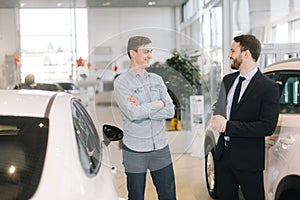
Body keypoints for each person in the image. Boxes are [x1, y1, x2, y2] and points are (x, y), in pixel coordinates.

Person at [211, 34, 280, 200]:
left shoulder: (268, 87)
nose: (229, 55)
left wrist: (228, 126)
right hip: (223, 157)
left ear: (246, 53)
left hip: (248, 160)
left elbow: (266, 126)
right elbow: (220, 111)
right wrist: (217, 117)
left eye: (233, 50)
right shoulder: (227, 81)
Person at [113, 36, 176, 200]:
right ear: (132, 53)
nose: (150, 55)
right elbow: (133, 114)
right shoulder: (122, 83)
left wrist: (142, 106)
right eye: (145, 51)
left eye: (150, 51)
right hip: (135, 150)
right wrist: (158, 103)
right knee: (136, 195)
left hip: (161, 147)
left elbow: (170, 111)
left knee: (168, 194)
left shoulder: (157, 80)